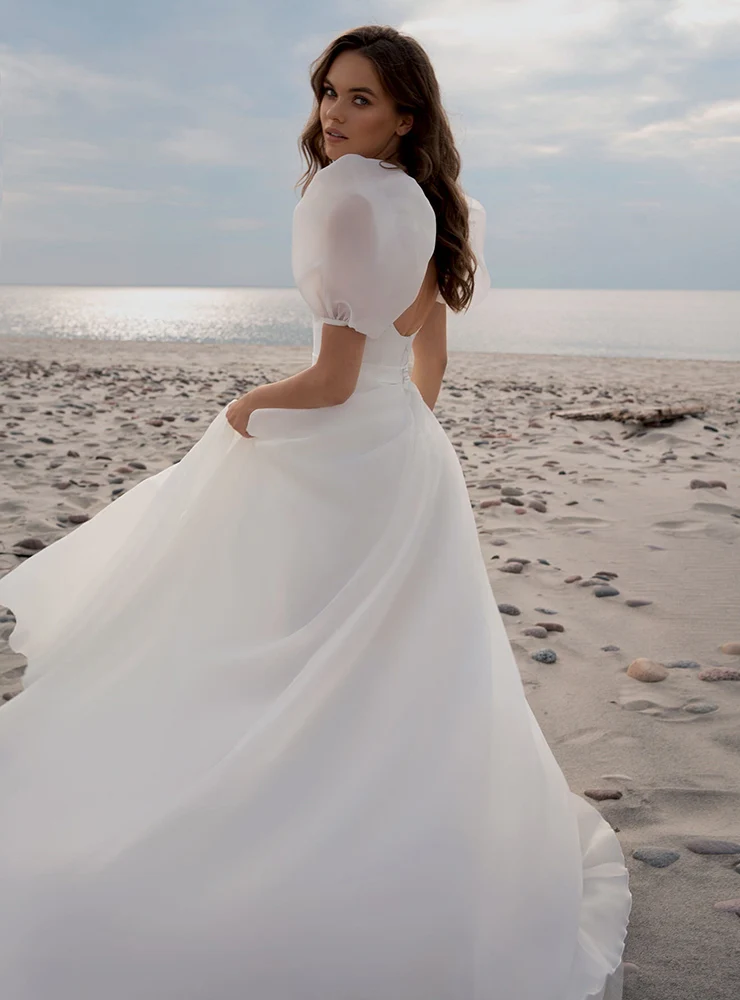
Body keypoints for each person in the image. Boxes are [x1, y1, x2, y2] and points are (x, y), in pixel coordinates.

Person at [0, 24, 631, 1000]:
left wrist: (244, 406)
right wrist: (400, 445)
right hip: (409, 466)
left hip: (346, 458)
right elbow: (428, 363)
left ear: (404, 115)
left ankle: (270, 838)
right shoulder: (435, 204)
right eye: (329, 92)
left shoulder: (340, 198)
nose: (334, 114)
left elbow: (332, 382)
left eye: (360, 99)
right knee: (390, 669)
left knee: (273, 647)